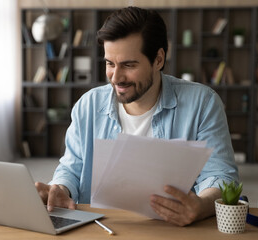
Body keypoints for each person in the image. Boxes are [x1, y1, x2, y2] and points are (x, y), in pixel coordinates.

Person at [35, 6, 239, 226]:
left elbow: (221, 176)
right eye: (110, 64)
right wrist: (60, 188)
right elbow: (71, 168)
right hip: (100, 228)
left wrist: (202, 206)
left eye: (129, 65)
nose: (116, 77)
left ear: (158, 59)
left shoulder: (203, 103)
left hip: (171, 229)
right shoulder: (88, 105)